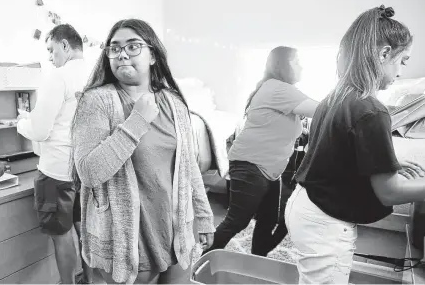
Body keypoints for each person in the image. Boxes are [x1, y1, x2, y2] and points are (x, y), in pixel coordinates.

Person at [285, 5, 425, 284]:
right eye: (403, 60)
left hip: (304, 204)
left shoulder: (336, 97)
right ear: (385, 53)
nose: (400, 71)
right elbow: (389, 192)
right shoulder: (372, 111)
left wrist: (390, 164)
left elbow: (338, 156)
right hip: (324, 221)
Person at [70, 18, 215, 284]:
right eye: (114, 48)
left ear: (153, 55)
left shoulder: (174, 103)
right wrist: (137, 122)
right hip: (126, 238)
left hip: (176, 232)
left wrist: (204, 216)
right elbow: (89, 172)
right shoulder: (96, 101)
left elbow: (188, 165)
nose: (122, 53)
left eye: (133, 46)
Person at [203, 46, 318, 256]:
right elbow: (322, 110)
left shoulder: (277, 89)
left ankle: (258, 261)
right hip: (251, 164)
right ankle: (201, 262)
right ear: (283, 65)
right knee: (237, 221)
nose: (301, 66)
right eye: (297, 61)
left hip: (267, 169)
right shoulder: (279, 88)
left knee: (269, 219)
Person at [17, 24, 93, 284]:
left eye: (51, 50)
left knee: (62, 236)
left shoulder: (58, 77)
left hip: (55, 173)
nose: (50, 57)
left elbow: (39, 130)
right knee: (85, 232)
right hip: (84, 171)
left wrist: (21, 121)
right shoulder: (95, 77)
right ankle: (91, 281)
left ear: (65, 46)